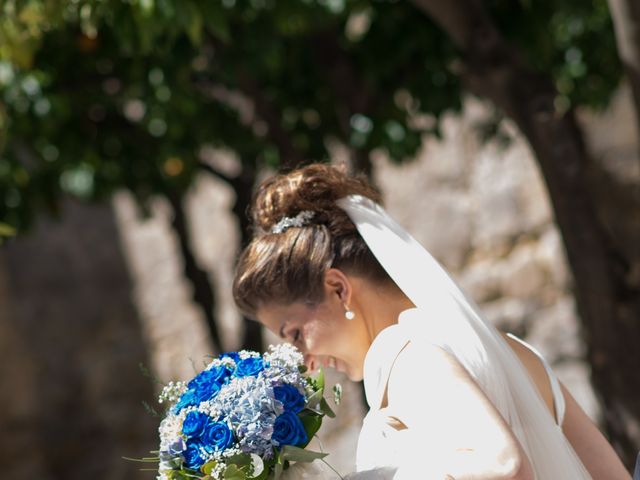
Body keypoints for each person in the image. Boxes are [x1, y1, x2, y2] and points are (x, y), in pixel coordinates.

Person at [232, 163, 631, 479]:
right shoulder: (512, 349)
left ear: (338, 288)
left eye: (296, 334)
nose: (306, 361)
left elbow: (504, 467)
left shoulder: (404, 355)